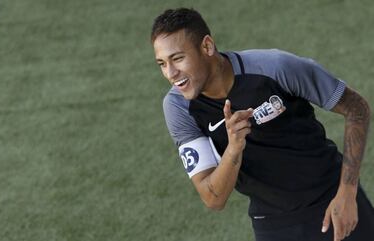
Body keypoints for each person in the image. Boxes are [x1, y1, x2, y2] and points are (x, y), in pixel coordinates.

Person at [151, 8, 374, 241]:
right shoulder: (178, 108)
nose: (171, 73)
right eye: (161, 64)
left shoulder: (275, 67)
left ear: (207, 47)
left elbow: (356, 108)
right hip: (274, 225)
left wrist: (347, 193)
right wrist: (234, 148)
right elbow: (213, 198)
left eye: (177, 58)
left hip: (333, 200)